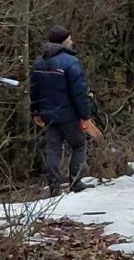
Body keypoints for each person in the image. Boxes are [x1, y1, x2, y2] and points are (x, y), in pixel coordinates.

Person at [30, 25, 95, 196]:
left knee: (53, 150)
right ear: (64, 41)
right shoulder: (70, 62)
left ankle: (54, 187)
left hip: (48, 115)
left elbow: (34, 90)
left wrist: (35, 112)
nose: (72, 41)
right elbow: (79, 92)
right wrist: (85, 115)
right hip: (69, 115)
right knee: (79, 145)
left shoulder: (38, 62)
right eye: (69, 39)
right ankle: (75, 181)